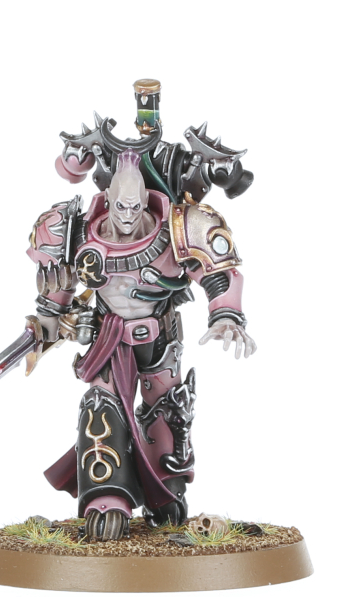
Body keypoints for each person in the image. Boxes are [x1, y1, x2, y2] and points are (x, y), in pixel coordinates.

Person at [27, 147, 255, 541]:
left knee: (167, 410)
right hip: (108, 339)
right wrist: (53, 319)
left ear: (145, 199)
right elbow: (57, 286)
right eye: (121, 206)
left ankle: (166, 491)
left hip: (160, 336)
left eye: (135, 206)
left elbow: (216, 274)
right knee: (101, 407)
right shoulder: (75, 230)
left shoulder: (180, 226)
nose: (129, 214)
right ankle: (106, 495)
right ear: (108, 198)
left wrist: (225, 315)